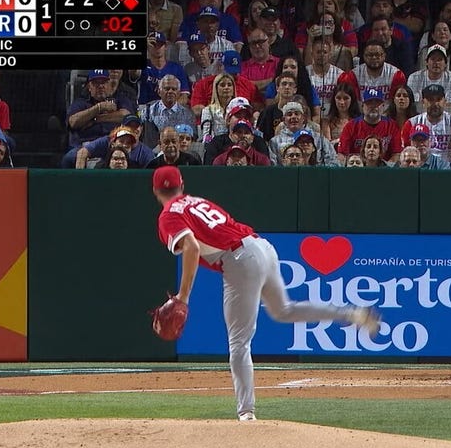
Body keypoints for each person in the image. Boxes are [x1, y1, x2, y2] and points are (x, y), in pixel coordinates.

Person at [150, 165, 380, 420]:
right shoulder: (196, 201)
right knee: (284, 310)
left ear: (155, 191)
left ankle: (246, 414)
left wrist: (183, 297)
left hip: (239, 259)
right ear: (182, 185)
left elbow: (192, 248)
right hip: (261, 246)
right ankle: (352, 314)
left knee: (239, 343)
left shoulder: (168, 215)